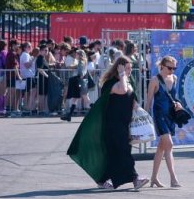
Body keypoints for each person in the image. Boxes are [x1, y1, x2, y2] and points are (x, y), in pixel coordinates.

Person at [67, 55, 149, 190]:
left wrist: (139, 110)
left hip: (124, 124)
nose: (129, 71)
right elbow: (122, 90)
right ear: (119, 68)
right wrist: (122, 73)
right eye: (127, 68)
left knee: (118, 152)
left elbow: (131, 98)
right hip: (113, 124)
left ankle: (103, 180)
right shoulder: (112, 83)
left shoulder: (127, 81)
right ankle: (135, 178)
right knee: (122, 151)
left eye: (130, 68)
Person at [147, 56, 183, 186]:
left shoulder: (174, 78)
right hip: (159, 116)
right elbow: (149, 101)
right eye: (169, 68)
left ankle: (154, 178)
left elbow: (175, 97)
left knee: (161, 147)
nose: (172, 71)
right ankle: (173, 179)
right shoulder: (154, 80)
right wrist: (146, 118)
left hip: (170, 116)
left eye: (174, 68)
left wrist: (179, 104)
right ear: (162, 66)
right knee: (169, 144)